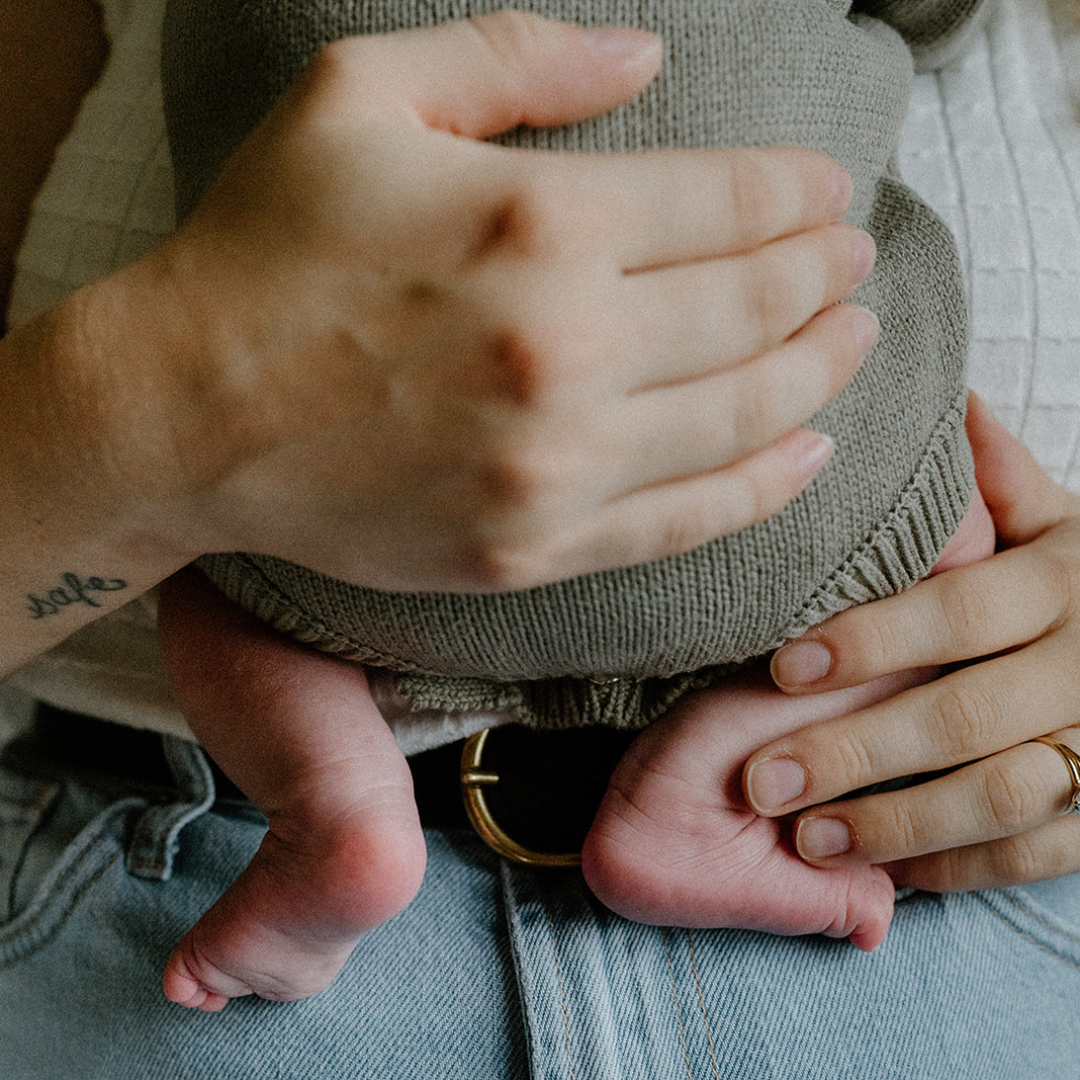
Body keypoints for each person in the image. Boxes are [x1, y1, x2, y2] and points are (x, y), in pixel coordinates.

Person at [4, 2, 1080, 1076]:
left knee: (217, 569)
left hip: (324, 563)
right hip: (808, 514)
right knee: (942, 491)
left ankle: (335, 802)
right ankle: (700, 785)